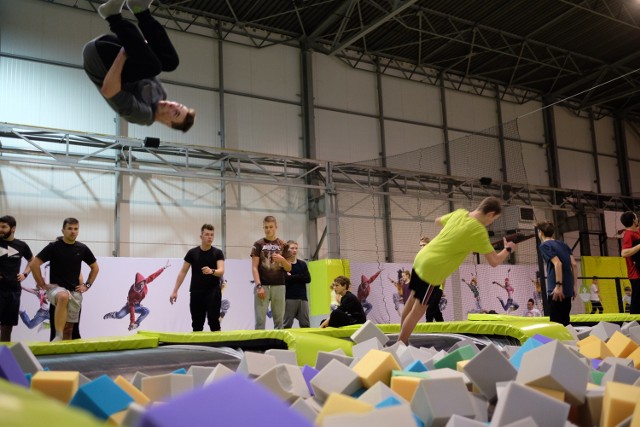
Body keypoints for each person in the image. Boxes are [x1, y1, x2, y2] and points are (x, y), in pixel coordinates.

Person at [398, 197, 516, 345]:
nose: (491, 222)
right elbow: (494, 261)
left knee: (410, 302)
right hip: (432, 269)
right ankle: (401, 344)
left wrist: (456, 236)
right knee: (417, 312)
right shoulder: (478, 230)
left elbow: (438, 220)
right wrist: (508, 249)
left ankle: (401, 342)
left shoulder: (460, 213)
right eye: (494, 219)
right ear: (490, 214)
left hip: (421, 258)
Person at [83, 0, 195, 131]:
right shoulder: (161, 93)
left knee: (154, 67)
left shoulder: (142, 115)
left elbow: (108, 91)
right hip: (112, 45)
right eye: (179, 105)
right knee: (170, 62)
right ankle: (140, 10)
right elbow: (143, 64)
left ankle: (113, 16)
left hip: (98, 58)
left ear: (168, 123)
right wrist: (142, 45)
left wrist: (124, 53)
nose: (174, 106)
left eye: (175, 113)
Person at [29, 218, 99, 341]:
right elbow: (34, 264)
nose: (73, 231)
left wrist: (87, 285)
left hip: (74, 292)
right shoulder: (53, 247)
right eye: (70, 228)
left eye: (76, 229)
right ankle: (58, 335)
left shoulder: (82, 248)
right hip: (56, 290)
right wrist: (42, 284)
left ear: (78, 231)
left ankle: (65, 356)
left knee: (70, 329)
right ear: (63, 230)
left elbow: (95, 267)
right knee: (63, 296)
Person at [170, 224, 225, 331]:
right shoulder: (192, 253)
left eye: (212, 235)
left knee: (214, 321)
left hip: (213, 292)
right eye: (207, 234)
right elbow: (183, 272)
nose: (210, 237)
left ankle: (219, 347)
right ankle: (197, 347)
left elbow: (221, 271)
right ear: (201, 237)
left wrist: (211, 271)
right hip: (196, 292)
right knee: (197, 323)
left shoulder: (218, 253)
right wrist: (175, 291)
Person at [104, 260, 170, 330]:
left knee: (146, 311)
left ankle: (136, 324)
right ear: (136, 284)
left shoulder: (145, 282)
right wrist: (132, 321)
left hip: (137, 305)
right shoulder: (132, 292)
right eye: (139, 285)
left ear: (144, 282)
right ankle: (113, 314)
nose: (141, 287)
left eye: (142, 285)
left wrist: (163, 268)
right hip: (130, 305)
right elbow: (131, 307)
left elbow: (153, 276)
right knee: (119, 316)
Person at [251, 216, 291, 329]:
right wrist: (258, 286)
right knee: (260, 321)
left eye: (271, 227)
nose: (268, 229)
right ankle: (258, 346)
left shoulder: (284, 245)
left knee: (279, 322)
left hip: (279, 285)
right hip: (262, 285)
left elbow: (289, 268)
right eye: (266, 227)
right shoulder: (258, 244)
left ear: (276, 227)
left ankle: (278, 346)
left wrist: (282, 260)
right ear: (263, 228)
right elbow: (254, 267)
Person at [537, 221, 578, 326]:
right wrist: (574, 286)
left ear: (540, 232)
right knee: (565, 322)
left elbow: (558, 263)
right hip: (568, 288)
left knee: (556, 324)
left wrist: (558, 286)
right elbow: (574, 264)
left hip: (556, 290)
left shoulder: (544, 245)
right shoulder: (563, 244)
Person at [0, 215, 33, 342]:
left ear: (13, 228)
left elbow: (32, 260)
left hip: (14, 291)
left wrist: (25, 274)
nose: (0, 229)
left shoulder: (22, 245)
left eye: (4, 227)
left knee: (7, 327)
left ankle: (3, 356)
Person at [283, 240, 311, 329]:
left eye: (296, 248)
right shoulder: (283, 264)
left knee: (305, 324)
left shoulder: (302, 264)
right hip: (289, 298)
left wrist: (293, 277)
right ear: (287, 250)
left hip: (303, 298)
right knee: (287, 324)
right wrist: (300, 276)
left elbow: (308, 279)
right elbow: (285, 279)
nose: (294, 250)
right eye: (292, 248)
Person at [620, 211, 640, 314]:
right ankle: (634, 325)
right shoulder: (628, 234)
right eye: (636, 217)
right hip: (635, 274)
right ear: (634, 220)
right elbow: (624, 253)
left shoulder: (636, 232)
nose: (638, 218)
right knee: (637, 302)